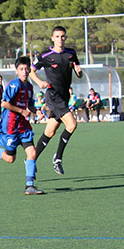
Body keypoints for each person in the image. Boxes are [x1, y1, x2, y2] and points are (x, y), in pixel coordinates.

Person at [0, 57, 42, 195]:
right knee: (10, 158)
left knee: (32, 152)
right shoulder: (14, 85)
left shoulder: (29, 87)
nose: (24, 71)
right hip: (10, 125)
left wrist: (37, 111)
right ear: (16, 71)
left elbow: (29, 105)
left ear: (29, 70)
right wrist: (21, 111)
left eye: (26, 69)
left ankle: (29, 186)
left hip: (23, 125)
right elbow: (4, 103)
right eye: (21, 69)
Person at [29, 26, 83, 175]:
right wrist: (39, 82)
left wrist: (79, 72)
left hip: (64, 97)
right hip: (53, 96)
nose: (60, 39)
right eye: (57, 36)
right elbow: (31, 71)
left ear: (66, 38)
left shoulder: (71, 53)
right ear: (52, 38)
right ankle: (58, 158)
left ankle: (31, 160)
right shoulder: (45, 55)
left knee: (50, 132)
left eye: (63, 36)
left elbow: (78, 74)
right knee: (72, 125)